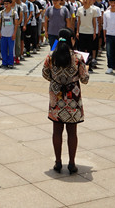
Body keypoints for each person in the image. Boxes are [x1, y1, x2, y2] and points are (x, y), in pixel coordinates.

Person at [42, 27, 89, 174]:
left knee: (57, 130)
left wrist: (56, 80)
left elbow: (45, 74)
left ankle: (58, 162)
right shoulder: (78, 57)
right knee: (72, 131)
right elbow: (85, 79)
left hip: (56, 97)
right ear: (71, 40)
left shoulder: (51, 56)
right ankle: (72, 163)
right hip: (72, 97)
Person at [0, 0, 19, 69]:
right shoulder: (1, 13)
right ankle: (4, 63)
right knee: (3, 49)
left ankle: (11, 63)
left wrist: (14, 33)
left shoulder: (14, 13)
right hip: (3, 34)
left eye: (7, 4)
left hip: (10, 34)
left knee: (11, 50)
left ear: (11, 4)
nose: (6, 5)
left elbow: (16, 24)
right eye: (5, 4)